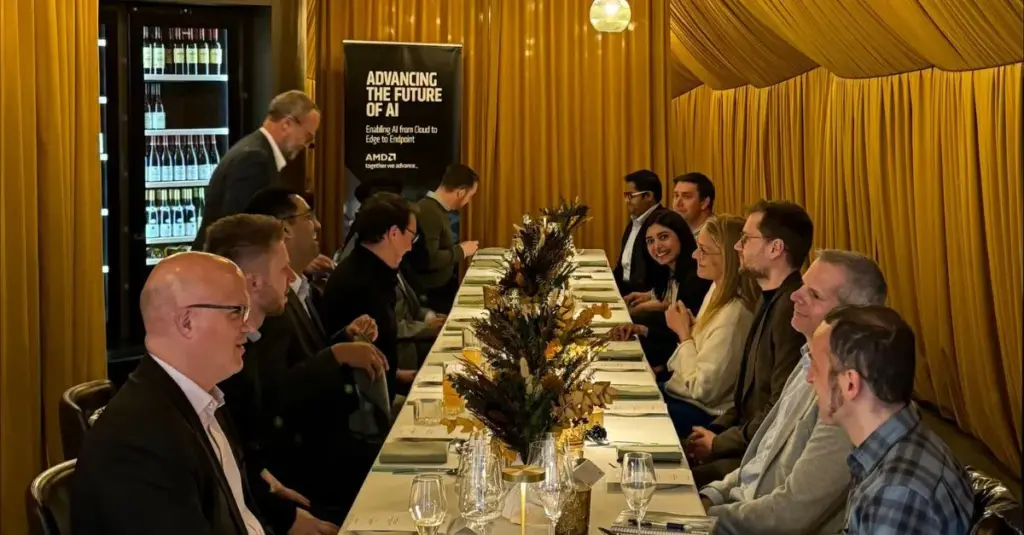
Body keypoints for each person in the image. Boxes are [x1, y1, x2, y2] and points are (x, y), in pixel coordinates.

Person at [72, 252, 269, 534]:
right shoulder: (138, 440)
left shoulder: (203, 400)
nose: (248, 327)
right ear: (186, 322)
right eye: (236, 312)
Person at [217, 196, 385, 522]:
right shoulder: (254, 333)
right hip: (304, 463)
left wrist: (341, 342)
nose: (290, 275)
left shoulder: (274, 311)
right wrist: (281, 512)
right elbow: (272, 406)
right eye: (283, 269)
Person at [700, 249, 888, 535]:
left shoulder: (848, 398)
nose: (794, 296)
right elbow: (758, 463)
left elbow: (790, 514)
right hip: (736, 511)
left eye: (814, 295)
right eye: (802, 286)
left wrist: (702, 517)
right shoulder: (806, 361)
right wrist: (711, 495)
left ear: (851, 318)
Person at [808, 306, 974, 535]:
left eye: (815, 366)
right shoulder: (899, 446)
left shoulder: (895, 494)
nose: (809, 377)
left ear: (850, 384)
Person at [685, 200, 810, 488]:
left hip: (757, 457)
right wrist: (712, 433)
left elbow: (778, 410)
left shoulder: (791, 312)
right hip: (741, 439)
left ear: (775, 248)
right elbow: (745, 399)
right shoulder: (768, 299)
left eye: (746, 238)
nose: (738, 246)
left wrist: (718, 443)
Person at [194, 90, 330, 280]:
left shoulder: (256, 152)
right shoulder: (255, 158)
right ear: (287, 124)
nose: (306, 145)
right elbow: (242, 231)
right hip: (221, 275)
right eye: (307, 137)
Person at [658, 215, 758, 437]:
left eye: (703, 250)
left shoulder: (734, 313)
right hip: (683, 394)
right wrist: (692, 328)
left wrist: (684, 335)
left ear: (728, 257)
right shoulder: (716, 289)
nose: (695, 255)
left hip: (703, 412)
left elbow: (704, 390)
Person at [323, 192, 419, 402]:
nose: (411, 246)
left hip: (383, 390)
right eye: (411, 237)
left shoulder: (372, 271)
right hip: (364, 409)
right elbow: (356, 370)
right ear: (394, 233)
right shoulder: (359, 283)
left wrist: (397, 375)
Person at [609, 210, 711, 374]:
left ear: (681, 236)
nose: (656, 246)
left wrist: (660, 368)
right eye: (650, 241)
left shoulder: (696, 279)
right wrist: (639, 328)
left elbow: (683, 336)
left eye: (663, 237)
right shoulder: (669, 272)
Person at [404, 164, 479, 313]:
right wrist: (462, 251)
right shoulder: (430, 212)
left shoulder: (434, 209)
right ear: (461, 193)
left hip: (437, 291)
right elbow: (430, 259)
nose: (468, 201)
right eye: (470, 196)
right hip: (432, 296)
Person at [614, 169, 669, 296]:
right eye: (625, 195)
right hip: (624, 290)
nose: (626, 200)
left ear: (649, 196)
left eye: (630, 195)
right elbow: (623, 268)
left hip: (642, 296)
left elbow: (655, 275)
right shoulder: (635, 221)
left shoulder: (661, 223)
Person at [671, 172, 715, 237]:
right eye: (676, 196)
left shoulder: (718, 236)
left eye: (686, 197)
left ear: (704, 203)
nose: (677, 203)